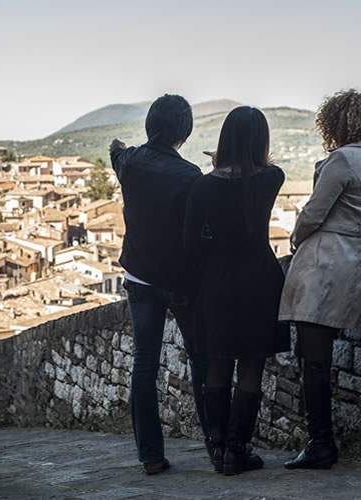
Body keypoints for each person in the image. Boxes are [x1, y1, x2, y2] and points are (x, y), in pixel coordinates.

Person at [279, 89, 361, 470]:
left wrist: (295, 238)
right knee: (320, 356)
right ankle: (321, 443)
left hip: (324, 263)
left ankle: (320, 443)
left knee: (313, 359)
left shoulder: (341, 159)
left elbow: (314, 213)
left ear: (335, 124)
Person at [184, 106, 290, 475]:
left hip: (216, 282)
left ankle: (216, 449)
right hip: (260, 279)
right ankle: (237, 450)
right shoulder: (273, 177)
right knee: (251, 365)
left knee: (217, 363)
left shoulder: (203, 185)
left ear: (223, 141)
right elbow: (255, 172)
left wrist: (216, 166)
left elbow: (191, 242)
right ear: (261, 140)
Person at [110, 94, 208, 475]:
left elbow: (116, 152)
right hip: (180, 281)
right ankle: (215, 444)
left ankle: (150, 454)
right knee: (200, 357)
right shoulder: (190, 177)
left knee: (144, 363)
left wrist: (117, 147)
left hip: (138, 277)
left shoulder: (130, 163)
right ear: (183, 132)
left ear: (151, 125)